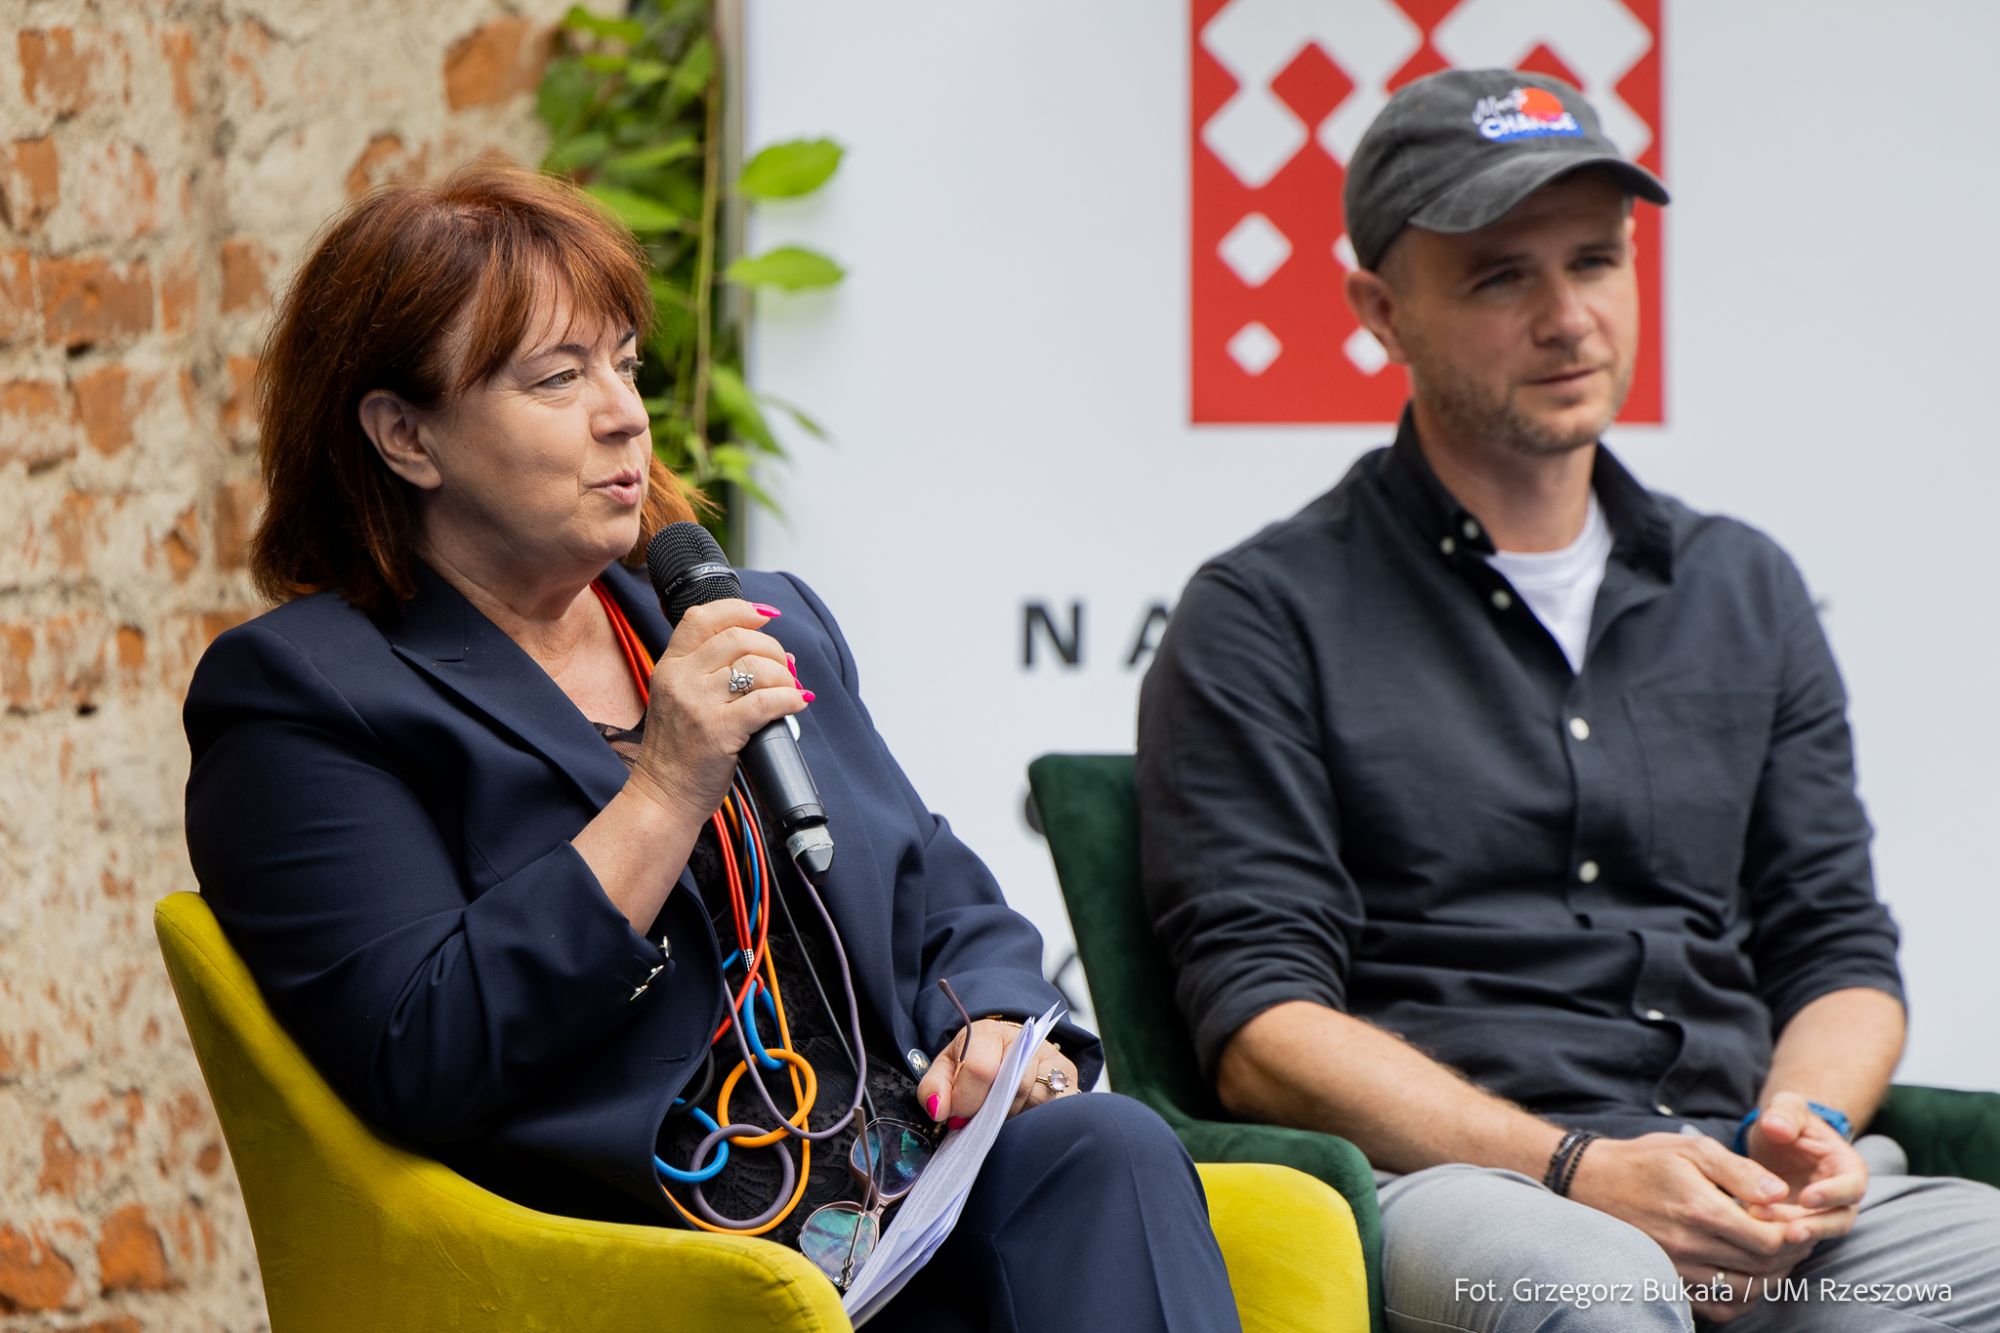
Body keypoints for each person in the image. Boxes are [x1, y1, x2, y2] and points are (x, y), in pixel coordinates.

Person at [183, 162, 1240, 1332]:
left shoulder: (741, 619)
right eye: (556, 376)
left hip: (905, 1207)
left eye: (624, 363)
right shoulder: (306, 698)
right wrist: (667, 784)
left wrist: (996, 1030)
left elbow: (938, 894)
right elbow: (422, 1050)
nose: (622, 411)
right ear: (404, 435)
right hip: (654, 1260)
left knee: (1105, 1145)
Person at [1137, 69, 2000, 1332]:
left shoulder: (1741, 585)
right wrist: (1576, 1169)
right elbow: (1262, 1027)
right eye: (1499, 276)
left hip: (1736, 1172)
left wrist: (1804, 1132)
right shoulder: (1262, 613)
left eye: (1594, 261)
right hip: (1466, 1185)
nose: (1568, 319)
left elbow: (1839, 953)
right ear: (1380, 308)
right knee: (1594, 1291)